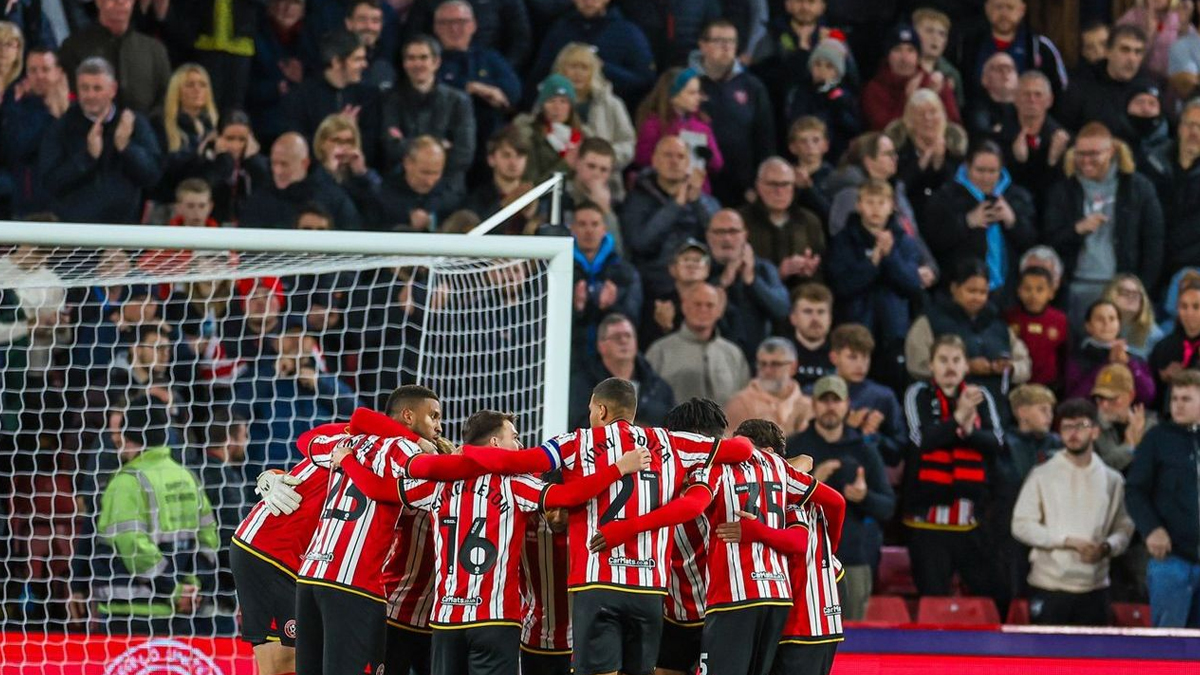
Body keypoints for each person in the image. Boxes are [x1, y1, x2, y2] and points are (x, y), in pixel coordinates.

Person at [462, 379, 755, 675]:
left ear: (601, 410)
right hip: (649, 588)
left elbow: (521, 461)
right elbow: (742, 449)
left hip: (597, 583)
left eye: (591, 409)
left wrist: (466, 452)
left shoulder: (576, 442)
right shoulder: (671, 442)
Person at [335, 409, 649, 675]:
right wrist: (619, 468)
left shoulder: (436, 485)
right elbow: (569, 495)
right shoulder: (517, 485)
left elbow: (378, 490)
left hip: (446, 620)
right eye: (515, 436)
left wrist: (347, 460)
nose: (521, 443)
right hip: (496, 619)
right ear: (496, 442)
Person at [94, 399, 219, 634]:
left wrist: (173, 590)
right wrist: (192, 586)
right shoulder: (188, 478)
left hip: (132, 614)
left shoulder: (126, 483)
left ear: (129, 436)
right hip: (184, 612)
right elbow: (208, 539)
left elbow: (133, 547)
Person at [1012, 398, 1135, 626]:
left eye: (1081, 426)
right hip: (1048, 585)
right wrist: (1066, 541)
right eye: (1067, 427)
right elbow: (1021, 524)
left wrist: (1107, 547)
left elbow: (1124, 527)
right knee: (1046, 659)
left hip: (1095, 587)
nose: (1073, 433)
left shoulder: (1112, 479)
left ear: (1095, 432)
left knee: (1095, 660)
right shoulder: (1042, 474)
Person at [902, 334, 1005, 600]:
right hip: (927, 521)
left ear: (966, 366)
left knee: (990, 595)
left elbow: (996, 442)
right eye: (943, 360)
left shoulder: (981, 396)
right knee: (933, 600)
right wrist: (958, 418)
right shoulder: (918, 394)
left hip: (971, 519)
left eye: (956, 360)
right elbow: (920, 440)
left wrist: (969, 431)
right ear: (931, 366)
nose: (950, 366)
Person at [785, 374, 893, 622]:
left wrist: (863, 496)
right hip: (803, 559)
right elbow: (776, 503)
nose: (831, 406)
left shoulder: (865, 449)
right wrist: (813, 485)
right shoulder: (794, 446)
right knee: (800, 632)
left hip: (854, 558)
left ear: (847, 405)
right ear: (813, 404)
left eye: (837, 400)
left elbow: (887, 507)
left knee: (852, 636)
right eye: (824, 400)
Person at [1043, 122, 1165, 329]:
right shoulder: (1063, 190)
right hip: (1076, 288)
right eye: (1080, 153)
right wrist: (1077, 230)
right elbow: (1049, 239)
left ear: (1111, 151)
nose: (1085, 160)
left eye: (1093, 154)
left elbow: (1154, 242)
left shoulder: (1138, 187)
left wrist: (1140, 289)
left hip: (1121, 290)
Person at [37, 57, 163, 224]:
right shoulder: (61, 127)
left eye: (97, 88)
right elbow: (50, 183)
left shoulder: (133, 123)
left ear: (113, 89)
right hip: (75, 236)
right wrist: (87, 157)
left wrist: (126, 148)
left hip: (123, 236)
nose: (90, 95)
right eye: (84, 88)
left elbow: (152, 177)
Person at [905, 258, 1032, 414]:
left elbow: (1024, 364)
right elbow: (917, 364)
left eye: (983, 292)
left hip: (997, 409)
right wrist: (965, 368)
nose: (977, 298)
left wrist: (1010, 368)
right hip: (946, 410)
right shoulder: (930, 321)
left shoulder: (998, 324)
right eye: (971, 291)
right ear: (954, 288)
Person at [1126, 369, 1200, 627]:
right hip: (1171, 559)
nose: (1177, 405)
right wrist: (1151, 529)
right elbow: (1134, 489)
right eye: (1174, 398)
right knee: (1169, 648)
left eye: (1186, 399)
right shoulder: (1157, 439)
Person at [231, 326, 360, 470]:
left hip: (317, 469)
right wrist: (272, 372)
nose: (296, 342)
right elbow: (236, 410)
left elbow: (357, 411)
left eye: (303, 336)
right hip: (269, 472)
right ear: (275, 342)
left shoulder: (324, 379)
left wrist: (319, 383)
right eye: (289, 335)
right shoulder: (257, 376)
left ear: (312, 343)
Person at [922, 140, 1038, 298]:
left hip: (1008, 292)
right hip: (961, 292)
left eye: (992, 171)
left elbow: (1031, 242)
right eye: (980, 170)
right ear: (967, 166)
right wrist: (966, 222)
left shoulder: (1016, 196)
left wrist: (1012, 221)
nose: (986, 177)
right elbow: (933, 241)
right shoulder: (946, 196)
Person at [827, 179, 924, 351]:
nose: (875, 208)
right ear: (858, 205)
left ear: (892, 206)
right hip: (855, 328)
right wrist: (873, 262)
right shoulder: (843, 240)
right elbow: (841, 285)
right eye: (869, 202)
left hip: (894, 331)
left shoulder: (904, 241)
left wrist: (890, 256)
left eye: (881, 202)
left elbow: (912, 284)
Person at [621, 135, 719, 299]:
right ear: (654, 161)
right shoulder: (637, 199)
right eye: (668, 155)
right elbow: (639, 242)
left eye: (680, 156)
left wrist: (697, 202)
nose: (674, 161)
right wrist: (675, 206)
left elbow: (718, 239)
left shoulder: (704, 201)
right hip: (655, 285)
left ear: (688, 163)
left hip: (699, 283)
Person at [693, 19, 777, 206]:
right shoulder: (689, 83)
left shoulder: (753, 86)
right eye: (719, 41)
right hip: (699, 185)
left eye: (731, 41)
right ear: (703, 45)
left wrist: (759, 184)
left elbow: (765, 139)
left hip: (743, 189)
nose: (726, 47)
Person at [380, 35, 476, 191]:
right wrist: (440, 146)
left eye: (423, 58)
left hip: (446, 186)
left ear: (436, 62)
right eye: (411, 58)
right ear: (404, 63)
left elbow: (464, 154)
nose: (417, 64)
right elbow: (390, 148)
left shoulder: (459, 101)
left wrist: (408, 145)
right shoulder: (391, 100)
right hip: (400, 185)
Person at [527, 0, 657, 107]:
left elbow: (645, 81)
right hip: (563, 114)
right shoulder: (560, 30)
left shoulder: (628, 33)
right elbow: (539, 76)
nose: (588, 1)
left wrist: (602, 68)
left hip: (610, 115)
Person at [434, 0, 522, 150]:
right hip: (447, 142)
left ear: (473, 25)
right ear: (436, 28)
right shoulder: (430, 59)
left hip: (490, 143)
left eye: (461, 22)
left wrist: (475, 89)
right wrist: (473, 88)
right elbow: (433, 89)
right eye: (447, 23)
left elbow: (513, 92)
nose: (454, 29)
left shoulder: (490, 58)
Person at [57, 0, 171, 115]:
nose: (121, 2)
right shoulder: (73, 47)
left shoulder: (154, 50)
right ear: (98, 2)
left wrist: (141, 127)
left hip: (147, 128)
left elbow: (165, 99)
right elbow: (68, 98)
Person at [647, 283, 750, 407]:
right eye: (697, 304)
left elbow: (745, 402)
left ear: (718, 311)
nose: (703, 310)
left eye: (710, 305)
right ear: (684, 307)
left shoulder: (733, 353)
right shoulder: (660, 350)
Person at [552, 42, 636, 194]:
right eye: (573, 66)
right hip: (561, 187)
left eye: (584, 68)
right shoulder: (548, 103)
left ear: (594, 71)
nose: (578, 73)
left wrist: (601, 160)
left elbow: (628, 144)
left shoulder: (612, 104)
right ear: (562, 69)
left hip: (606, 187)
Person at [569, 313, 675, 429]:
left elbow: (672, 429)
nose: (623, 341)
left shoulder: (658, 388)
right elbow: (576, 427)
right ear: (601, 345)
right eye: (617, 337)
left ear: (636, 342)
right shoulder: (582, 386)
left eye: (628, 335)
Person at [237, 132, 361, 229]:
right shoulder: (259, 201)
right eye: (274, 163)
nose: (277, 171)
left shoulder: (334, 200)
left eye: (284, 164)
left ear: (305, 163)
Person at [952, 0, 1068, 102]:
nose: (1004, 13)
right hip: (977, 117)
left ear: (1022, 10)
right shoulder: (967, 44)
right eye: (998, 7)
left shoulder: (1040, 46)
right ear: (987, 9)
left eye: (1010, 7)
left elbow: (1060, 88)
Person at [1058, 25, 1157, 144]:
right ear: (1108, 51)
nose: (1132, 58)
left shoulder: (1148, 87)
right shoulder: (1081, 86)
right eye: (1125, 50)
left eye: (1138, 52)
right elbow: (1063, 131)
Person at [280, 29, 377, 150]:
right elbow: (296, 145)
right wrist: (332, 134)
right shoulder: (301, 97)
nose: (365, 64)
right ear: (336, 62)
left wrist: (352, 135)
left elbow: (371, 147)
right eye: (357, 59)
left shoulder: (366, 96)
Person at [633, 67, 724, 194]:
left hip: (696, 191)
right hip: (661, 191)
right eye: (691, 93)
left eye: (699, 93)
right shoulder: (653, 124)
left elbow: (717, 164)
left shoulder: (702, 125)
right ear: (672, 95)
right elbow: (641, 158)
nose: (698, 98)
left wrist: (705, 154)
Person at [569, 201, 642, 358]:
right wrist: (576, 309)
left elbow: (633, 320)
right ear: (573, 229)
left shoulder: (625, 272)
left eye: (595, 224)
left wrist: (611, 307)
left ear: (604, 229)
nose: (589, 231)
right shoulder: (560, 270)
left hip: (610, 360)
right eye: (582, 224)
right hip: (571, 357)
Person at [828, 323, 907, 468]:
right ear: (834, 357)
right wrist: (846, 426)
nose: (860, 365)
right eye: (852, 357)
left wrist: (871, 435)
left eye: (865, 357)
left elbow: (898, 449)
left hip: (870, 473)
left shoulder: (883, 396)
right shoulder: (814, 393)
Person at [2, 47, 70, 216]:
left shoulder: (75, 109)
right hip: (27, 205)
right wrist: (53, 118)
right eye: (33, 70)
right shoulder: (17, 109)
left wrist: (62, 114)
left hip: (67, 205)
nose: (39, 76)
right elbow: (17, 147)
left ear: (58, 72)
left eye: (45, 69)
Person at [738, 157, 825, 287]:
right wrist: (777, 273)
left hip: (801, 297)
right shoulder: (740, 221)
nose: (779, 191)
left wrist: (810, 270)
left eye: (785, 184)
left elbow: (824, 270)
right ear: (758, 186)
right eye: (772, 184)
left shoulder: (809, 221)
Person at [885, 88, 968, 223]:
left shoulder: (956, 149)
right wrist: (921, 163)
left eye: (933, 112)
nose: (928, 118)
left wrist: (939, 162)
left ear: (943, 116)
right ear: (909, 120)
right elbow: (899, 188)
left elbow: (958, 190)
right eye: (920, 114)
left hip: (949, 221)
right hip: (909, 219)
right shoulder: (897, 148)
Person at [1142, 100, 1200, 290]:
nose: (1195, 133)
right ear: (1180, 127)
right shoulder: (1151, 163)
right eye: (1190, 125)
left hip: (1192, 276)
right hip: (1149, 266)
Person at [861, 23, 961, 131]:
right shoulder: (874, 89)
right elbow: (884, 130)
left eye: (910, 50)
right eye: (897, 50)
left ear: (918, 57)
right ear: (888, 56)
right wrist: (908, 100)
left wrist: (932, 100)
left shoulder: (934, 84)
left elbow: (954, 127)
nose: (904, 58)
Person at [780, 37, 860, 170]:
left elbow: (853, 128)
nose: (822, 71)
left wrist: (837, 106)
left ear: (837, 72)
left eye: (829, 66)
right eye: (817, 64)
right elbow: (795, 122)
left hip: (837, 160)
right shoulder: (801, 92)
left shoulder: (844, 96)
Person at [1001, 70, 1071, 211]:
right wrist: (1015, 159)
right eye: (1026, 94)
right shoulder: (1001, 136)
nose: (1032, 99)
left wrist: (1053, 161)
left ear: (1049, 100)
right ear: (1015, 98)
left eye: (1038, 94)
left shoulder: (1062, 138)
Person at [152, 64, 219, 207]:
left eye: (202, 85)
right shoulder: (161, 124)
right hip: (170, 203)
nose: (197, 90)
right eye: (190, 85)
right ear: (177, 91)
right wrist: (199, 152)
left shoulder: (214, 125)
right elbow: (162, 170)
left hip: (207, 204)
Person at [369, 135, 461, 231]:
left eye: (436, 173)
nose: (430, 182)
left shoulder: (451, 196)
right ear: (407, 163)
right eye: (425, 173)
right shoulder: (383, 197)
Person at [723, 337, 812, 435]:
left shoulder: (808, 406)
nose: (767, 371)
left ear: (793, 367)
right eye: (762, 364)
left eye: (775, 364)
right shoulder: (740, 404)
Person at [515, 74, 587, 185]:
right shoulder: (531, 137)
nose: (557, 107)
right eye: (551, 101)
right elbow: (530, 185)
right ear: (542, 106)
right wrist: (565, 165)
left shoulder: (582, 138)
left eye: (563, 101)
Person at [1004, 266, 1069, 388]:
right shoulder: (1009, 318)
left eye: (1040, 289)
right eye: (1027, 289)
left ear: (1051, 293)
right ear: (1018, 291)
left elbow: (1064, 356)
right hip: (1017, 383)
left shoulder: (1060, 320)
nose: (1033, 295)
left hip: (1049, 385)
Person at [1092, 363, 1156, 473]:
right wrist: (1129, 447)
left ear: (1131, 396)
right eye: (1100, 398)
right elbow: (1100, 469)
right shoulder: (1092, 428)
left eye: (1113, 398)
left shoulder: (1150, 426)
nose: (1105, 405)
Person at [1117, 0, 1193, 84]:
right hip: (1140, 81)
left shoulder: (1178, 16)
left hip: (1172, 83)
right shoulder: (1132, 17)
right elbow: (1121, 57)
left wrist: (1183, 29)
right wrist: (1149, 35)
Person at [1150, 275, 1200, 401]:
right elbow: (1152, 394)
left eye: (1196, 307)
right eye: (1184, 306)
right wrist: (1163, 377)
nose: (1189, 313)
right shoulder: (1164, 346)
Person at [913, 7, 965, 112]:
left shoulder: (952, 74)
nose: (935, 38)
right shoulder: (903, 67)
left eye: (942, 34)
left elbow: (958, 111)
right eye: (929, 31)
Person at [1103, 274, 1165, 360]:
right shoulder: (1100, 325)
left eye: (1136, 294)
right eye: (1125, 292)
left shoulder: (1154, 335)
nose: (1131, 297)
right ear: (1111, 295)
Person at [787, 282, 836, 387]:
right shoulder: (780, 353)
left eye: (821, 312)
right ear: (793, 318)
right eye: (808, 311)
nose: (815, 319)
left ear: (830, 318)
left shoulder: (841, 354)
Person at [964, 53, 1019, 143]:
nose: (1005, 73)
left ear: (1018, 79)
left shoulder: (1026, 106)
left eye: (1009, 69)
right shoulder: (974, 109)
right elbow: (982, 136)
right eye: (999, 69)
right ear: (984, 79)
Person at [346, 0, 396, 89]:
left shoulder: (387, 60)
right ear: (349, 23)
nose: (369, 26)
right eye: (362, 19)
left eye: (375, 21)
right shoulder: (337, 61)